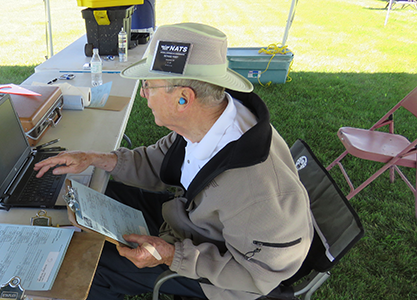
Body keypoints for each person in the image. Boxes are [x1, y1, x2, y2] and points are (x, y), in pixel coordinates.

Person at [34, 23, 314, 300]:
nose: (143, 94)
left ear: (184, 98)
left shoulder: (258, 190)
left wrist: (169, 255)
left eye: (149, 85)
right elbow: (155, 161)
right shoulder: (210, 118)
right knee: (96, 194)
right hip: (188, 223)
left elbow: (260, 275)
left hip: (217, 273)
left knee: (93, 269)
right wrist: (93, 159)